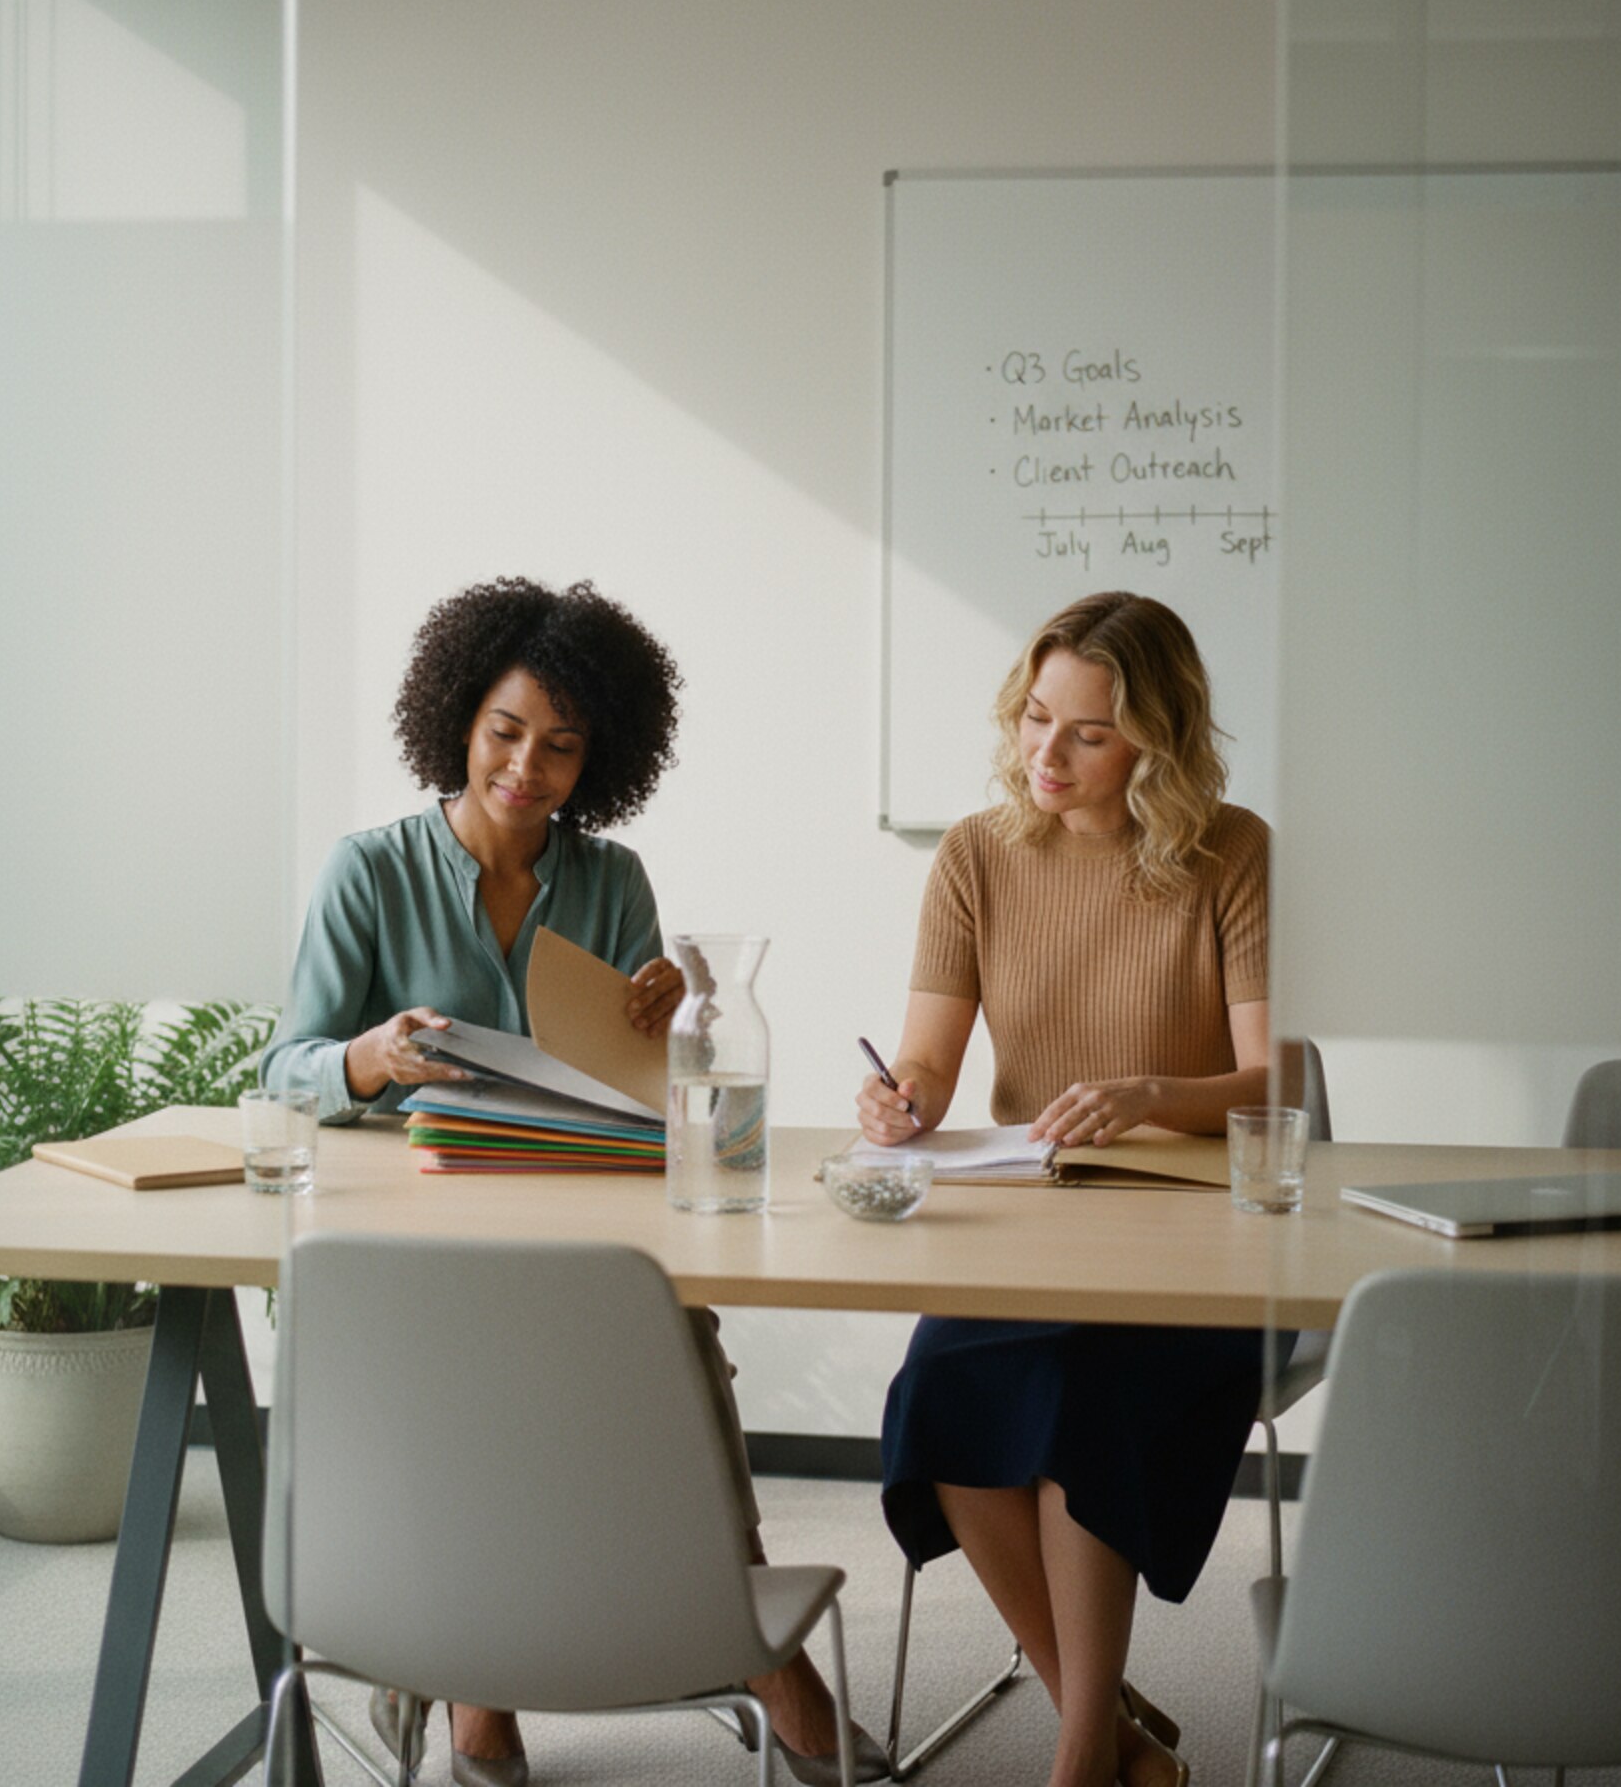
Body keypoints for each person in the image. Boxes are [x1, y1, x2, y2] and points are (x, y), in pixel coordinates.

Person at [266, 576, 886, 1787]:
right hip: (423, 1234)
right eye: (505, 732)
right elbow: (284, 1067)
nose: (526, 766)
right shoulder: (366, 872)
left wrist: (668, 1015)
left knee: (668, 1326)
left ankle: (746, 1640)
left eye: (560, 745)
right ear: (456, 720)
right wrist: (371, 1053)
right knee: (468, 1360)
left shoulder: (613, 882)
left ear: (597, 756)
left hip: (577, 1221)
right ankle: (476, 1683)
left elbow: (643, 1096)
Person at [855, 591, 1270, 1787]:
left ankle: (1083, 1752)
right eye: (1036, 717)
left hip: (1190, 1228)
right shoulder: (975, 853)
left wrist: (1149, 1091)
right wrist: (906, 1099)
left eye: (1086, 732)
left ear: (1155, 737)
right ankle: (1111, 1726)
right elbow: (926, 1057)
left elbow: (1269, 1073)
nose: (1045, 752)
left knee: (1075, 1400)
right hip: (1031, 1212)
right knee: (934, 1397)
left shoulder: (1229, 851)